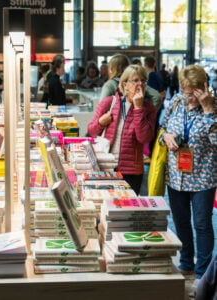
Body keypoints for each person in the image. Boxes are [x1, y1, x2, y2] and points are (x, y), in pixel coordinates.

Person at [160, 65, 217, 286]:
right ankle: (186, 263)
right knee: (181, 222)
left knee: (202, 224)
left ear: (204, 87)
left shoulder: (213, 107)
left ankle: (202, 273)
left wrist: (208, 111)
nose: (190, 96)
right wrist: (166, 138)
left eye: (194, 90)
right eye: (186, 90)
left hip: (204, 176)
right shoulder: (176, 103)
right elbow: (162, 130)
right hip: (176, 177)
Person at [87, 64, 157, 194]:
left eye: (143, 81)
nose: (140, 84)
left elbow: (144, 138)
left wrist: (138, 108)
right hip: (106, 166)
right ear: (125, 84)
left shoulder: (148, 109)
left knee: (128, 210)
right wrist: (101, 122)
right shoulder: (109, 102)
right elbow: (91, 131)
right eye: (135, 80)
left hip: (132, 171)